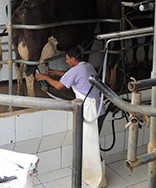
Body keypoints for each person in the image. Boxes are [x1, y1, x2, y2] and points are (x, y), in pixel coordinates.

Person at [35, 46, 107, 188]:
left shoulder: (75, 71)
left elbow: (58, 86)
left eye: (67, 59)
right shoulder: (86, 66)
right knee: (92, 143)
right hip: (100, 109)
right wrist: (55, 72)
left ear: (73, 59)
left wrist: (45, 77)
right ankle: (95, 175)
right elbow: (70, 74)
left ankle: (96, 180)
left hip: (90, 111)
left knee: (89, 144)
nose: (67, 61)